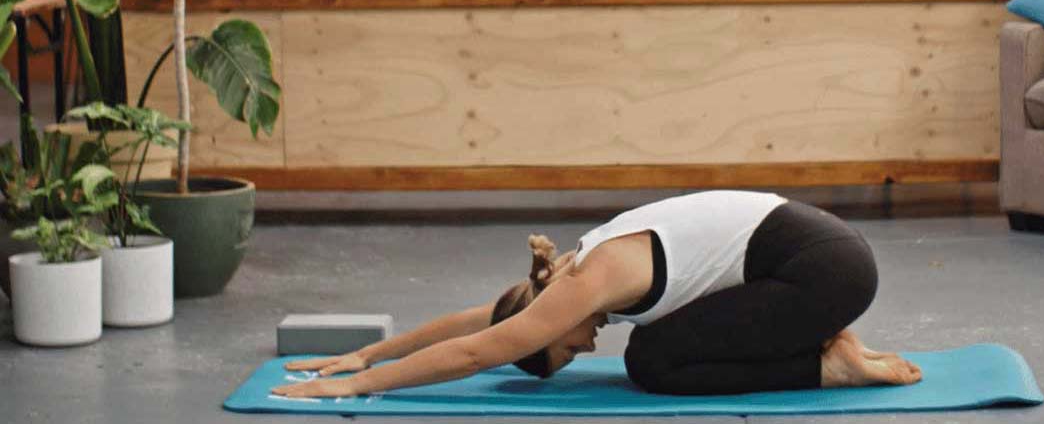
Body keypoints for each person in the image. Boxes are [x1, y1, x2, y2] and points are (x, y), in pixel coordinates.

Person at [272, 190, 921, 399]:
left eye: (564, 351)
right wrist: (370, 353)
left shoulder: (586, 280)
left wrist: (355, 389)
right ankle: (817, 350)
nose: (584, 347)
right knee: (655, 347)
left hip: (826, 270)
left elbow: (481, 348)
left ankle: (823, 364)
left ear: (545, 320)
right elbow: (483, 318)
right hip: (823, 258)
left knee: (652, 360)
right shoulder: (563, 280)